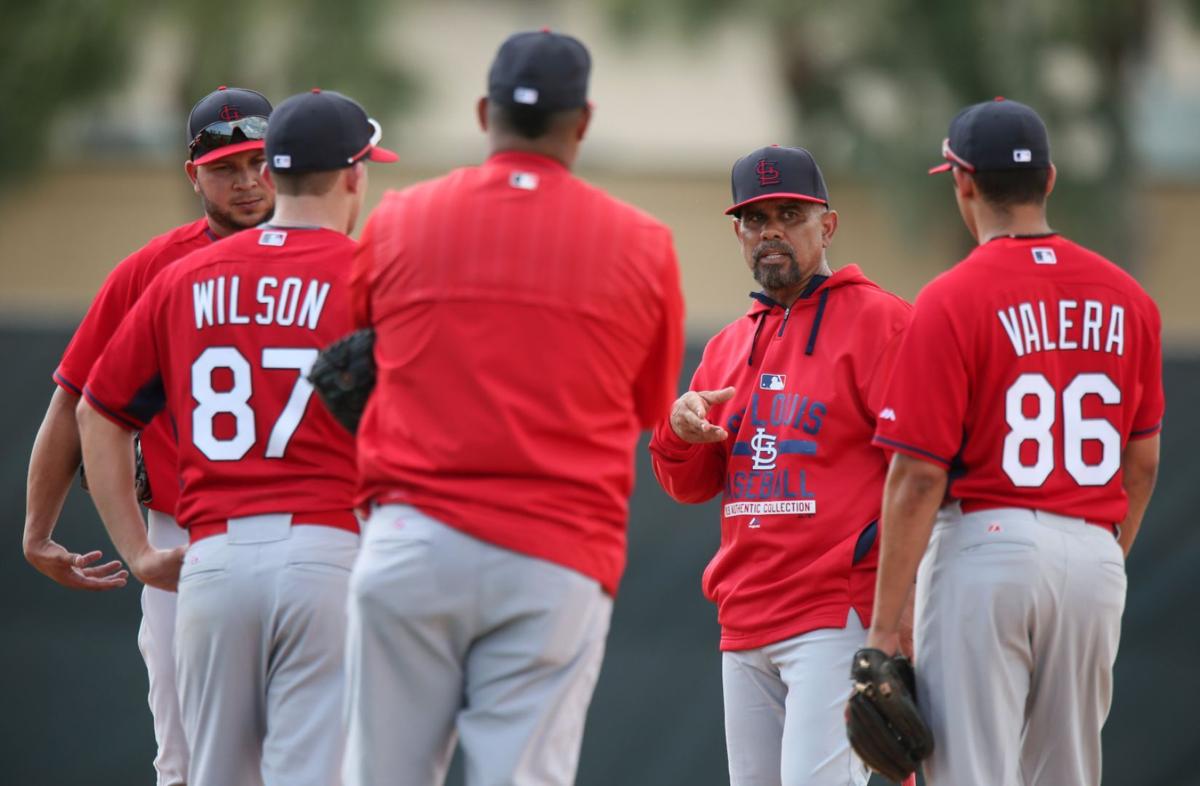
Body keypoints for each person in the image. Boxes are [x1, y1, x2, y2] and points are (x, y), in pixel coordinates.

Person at [343, 29, 685, 786]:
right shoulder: (645, 242)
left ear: (483, 111)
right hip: (555, 551)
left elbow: (354, 360)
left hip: (410, 539)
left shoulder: (399, 216)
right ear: (583, 122)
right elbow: (646, 408)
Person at [75, 88, 396, 786]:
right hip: (327, 549)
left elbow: (94, 412)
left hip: (209, 560)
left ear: (273, 175)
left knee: (204, 773)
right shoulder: (373, 277)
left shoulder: (184, 275)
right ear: (353, 174)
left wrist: (137, 549)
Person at [864, 98, 1163, 786]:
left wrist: (884, 627)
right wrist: (1099, 556)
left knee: (973, 773)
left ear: (962, 181)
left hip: (987, 549)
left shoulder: (951, 298)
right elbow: (1142, 463)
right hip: (1093, 554)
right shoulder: (1130, 299)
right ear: (1050, 179)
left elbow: (916, 477)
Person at [21, 85, 274, 786]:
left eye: (259, 160)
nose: (249, 180)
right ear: (194, 175)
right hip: (182, 536)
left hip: (310, 525)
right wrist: (37, 528)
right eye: (228, 167)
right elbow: (75, 398)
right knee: (188, 759)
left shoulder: (335, 257)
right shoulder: (150, 268)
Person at [648, 146, 912, 786]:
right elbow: (691, 486)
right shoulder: (729, 345)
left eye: (789, 214)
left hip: (833, 612)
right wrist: (679, 432)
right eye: (754, 218)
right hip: (743, 615)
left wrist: (898, 621)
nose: (770, 231)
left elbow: (924, 470)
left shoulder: (883, 322)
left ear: (827, 225)